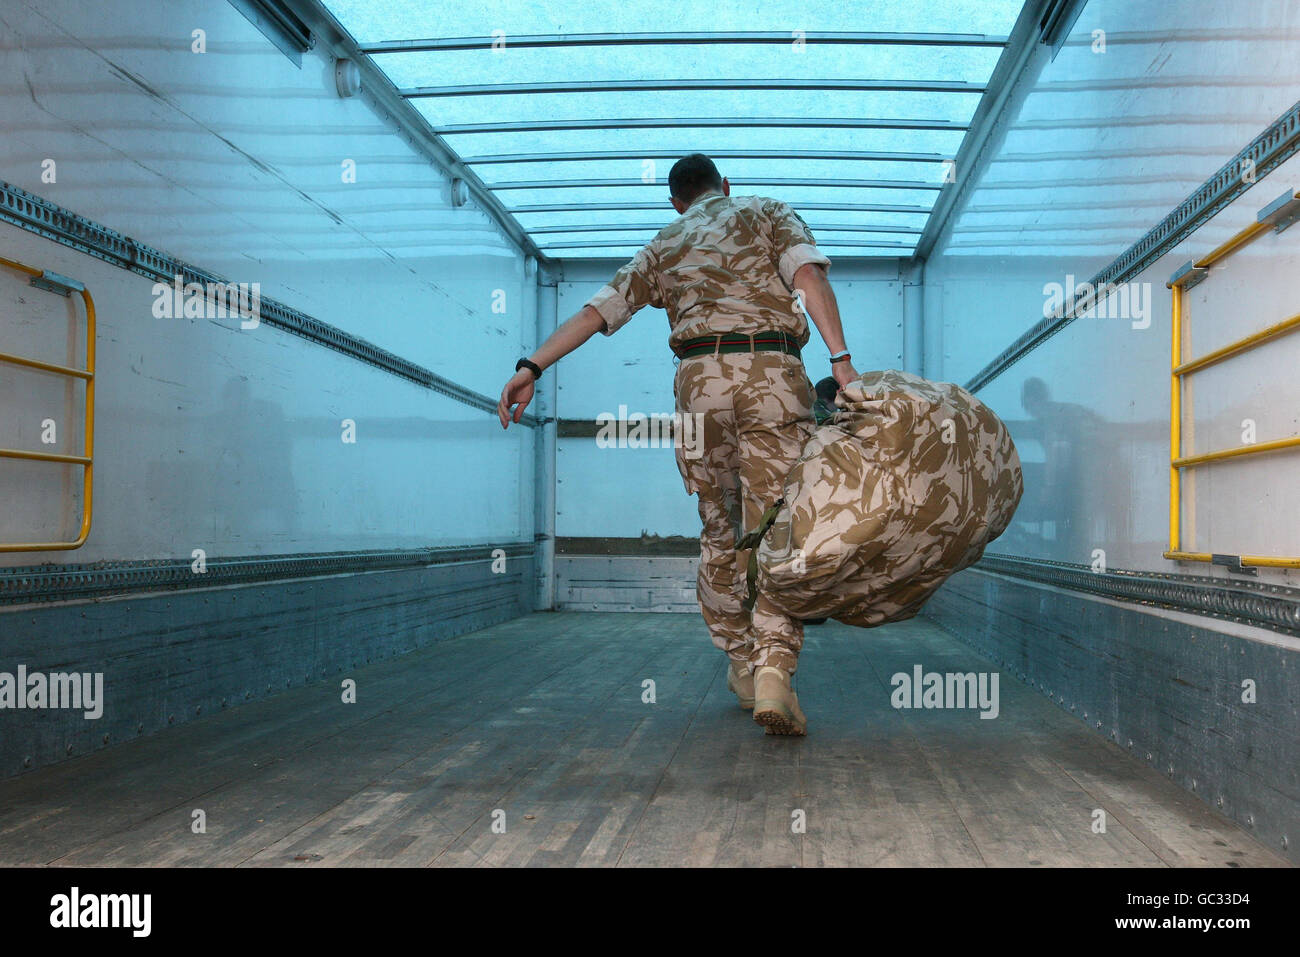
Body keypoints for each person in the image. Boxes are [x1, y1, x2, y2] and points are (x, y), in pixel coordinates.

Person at [497, 154, 858, 736]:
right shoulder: (766, 211)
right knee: (779, 525)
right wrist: (840, 362)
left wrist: (530, 365)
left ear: (676, 201)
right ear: (726, 186)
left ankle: (742, 663)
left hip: (699, 387)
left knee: (720, 528)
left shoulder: (665, 242)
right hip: (772, 374)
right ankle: (774, 668)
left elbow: (598, 311)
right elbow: (810, 277)